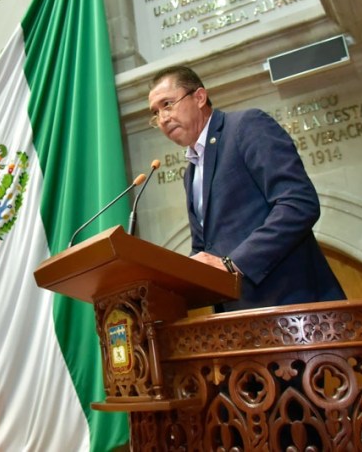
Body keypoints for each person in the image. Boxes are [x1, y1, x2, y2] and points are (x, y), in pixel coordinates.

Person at [148, 65, 346, 311]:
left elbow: (298, 203)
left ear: (199, 97)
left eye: (167, 104)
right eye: (155, 113)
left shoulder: (245, 126)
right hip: (238, 317)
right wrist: (171, 285)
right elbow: (204, 249)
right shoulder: (191, 173)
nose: (163, 119)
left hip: (294, 305)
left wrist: (233, 264)